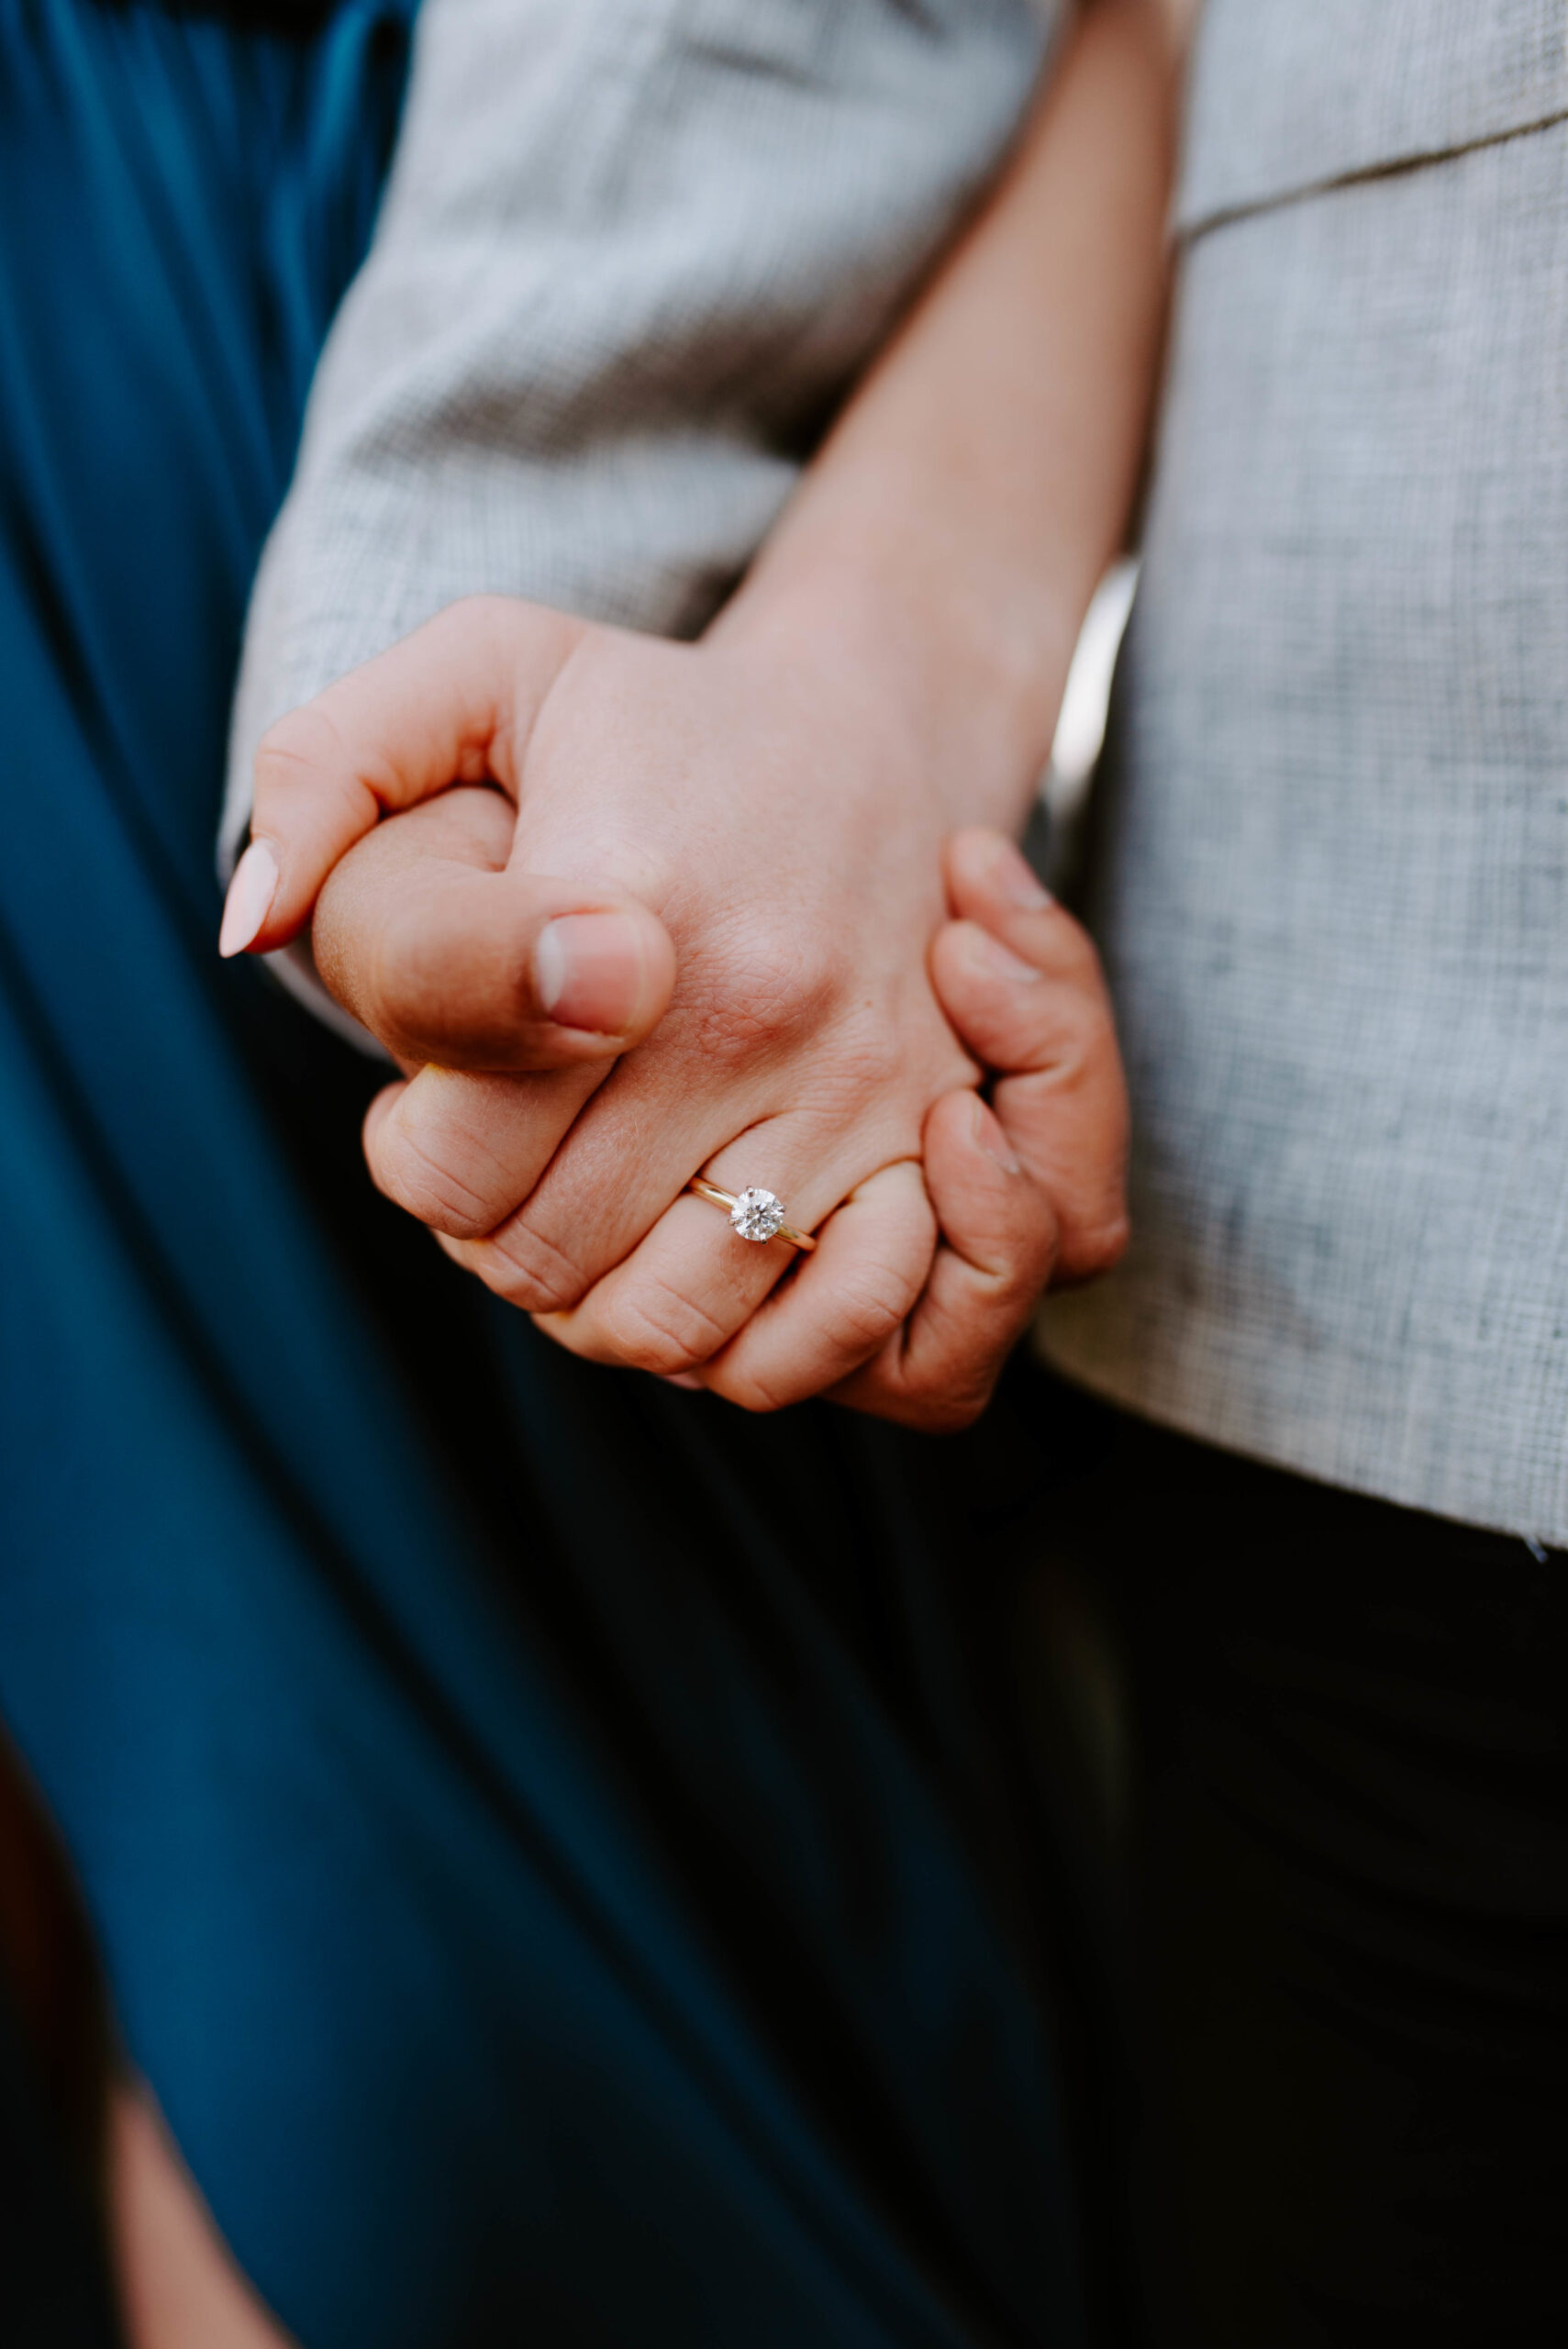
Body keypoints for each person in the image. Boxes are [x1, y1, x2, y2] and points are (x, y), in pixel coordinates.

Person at [2, 1, 1171, 2342]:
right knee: (319, 1974)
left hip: (570, 325)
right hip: (85, 449)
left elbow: (1153, 39)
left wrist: (880, 686)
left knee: (602, 1992)